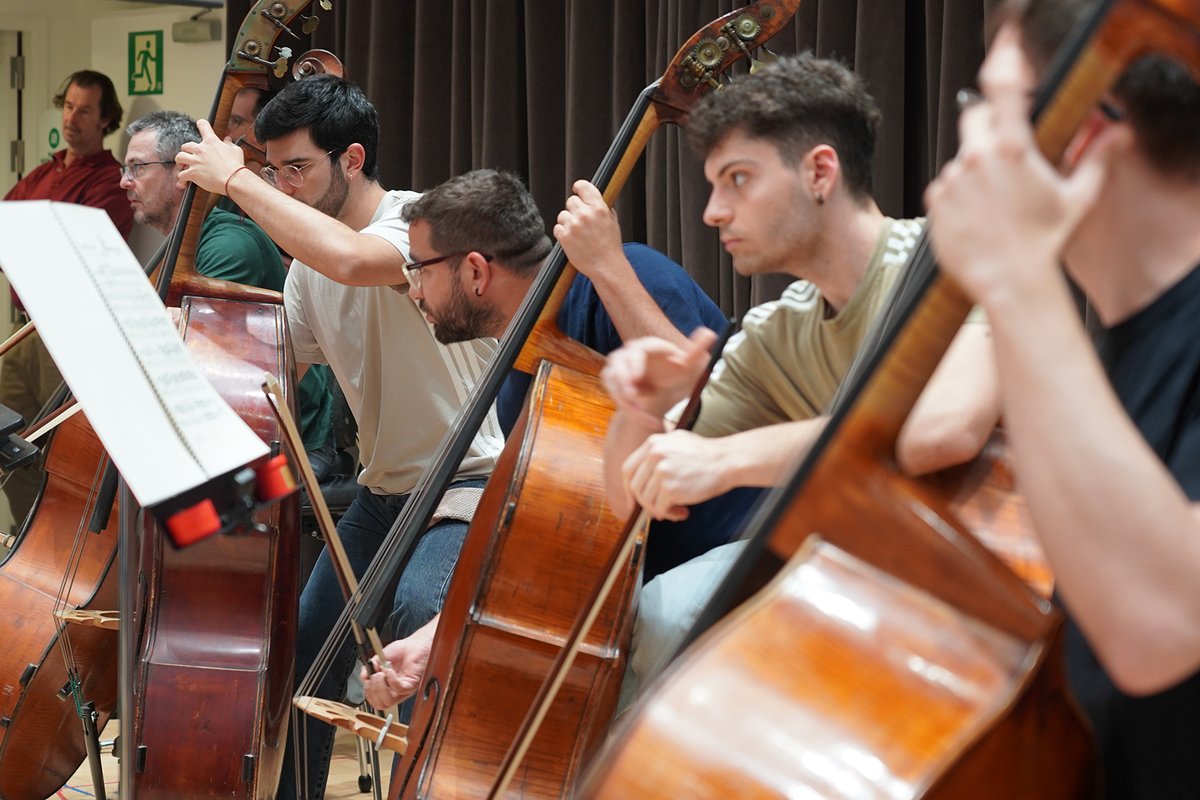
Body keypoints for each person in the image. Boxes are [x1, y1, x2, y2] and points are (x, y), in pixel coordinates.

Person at [362, 56, 1000, 713]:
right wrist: (639, 414)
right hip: (875, 586)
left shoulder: (950, 257)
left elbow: (943, 428)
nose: (714, 212)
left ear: (819, 172)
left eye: (738, 180)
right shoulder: (775, 335)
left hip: (992, 589)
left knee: (669, 613)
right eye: (713, 185)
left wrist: (727, 457)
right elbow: (629, 494)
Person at [176, 75, 502, 800]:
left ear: (351, 160)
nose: (283, 187)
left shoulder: (420, 223)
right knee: (303, 654)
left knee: (420, 614)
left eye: (297, 168)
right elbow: (273, 378)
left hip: (466, 484)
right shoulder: (306, 273)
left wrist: (235, 181)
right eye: (273, 171)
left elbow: (352, 261)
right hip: (384, 497)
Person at [926, 1, 1200, 795]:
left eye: (991, 109)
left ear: (1082, 131)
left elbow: (1163, 627)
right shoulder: (1111, 347)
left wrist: (1016, 275)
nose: (970, 149)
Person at [355, 166, 741, 705]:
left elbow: (701, 404)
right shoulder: (520, 381)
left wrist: (607, 266)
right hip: (624, 605)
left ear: (476, 271)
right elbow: (545, 540)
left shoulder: (632, 273)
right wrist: (432, 639)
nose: (413, 290)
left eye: (419, 269)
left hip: (727, 566)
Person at [120, 109, 333, 469]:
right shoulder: (179, 248)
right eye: (125, 169)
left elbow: (189, 358)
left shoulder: (228, 245)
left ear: (182, 171)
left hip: (285, 444)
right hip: (236, 428)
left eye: (137, 168)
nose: (125, 182)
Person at [1, 69, 132, 524]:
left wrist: (27, 243)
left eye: (85, 110)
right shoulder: (45, 171)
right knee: (7, 444)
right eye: (69, 107)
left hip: (67, 334)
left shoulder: (110, 181)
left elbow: (70, 256)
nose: (72, 118)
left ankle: (54, 541)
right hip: (24, 330)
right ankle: (24, 537)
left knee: (55, 448)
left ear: (106, 119)